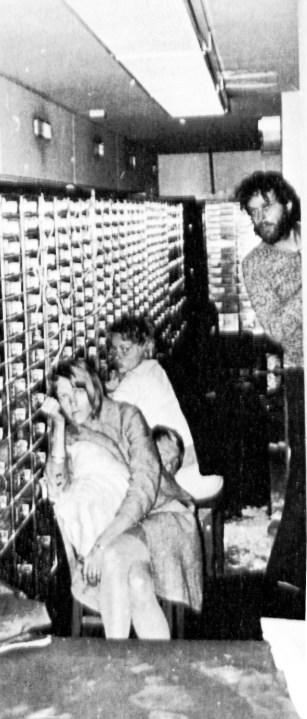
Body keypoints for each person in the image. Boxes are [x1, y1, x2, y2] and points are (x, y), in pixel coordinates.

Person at [42, 358, 202, 640]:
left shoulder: (128, 417)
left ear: (93, 386)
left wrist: (101, 544)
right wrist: (56, 425)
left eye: (78, 391)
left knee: (114, 555)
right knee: (138, 582)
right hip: (122, 528)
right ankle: (158, 673)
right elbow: (57, 485)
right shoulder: (70, 433)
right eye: (63, 397)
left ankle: (113, 667)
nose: (72, 403)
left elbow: (144, 489)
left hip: (162, 517)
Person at [235, 170, 305, 595]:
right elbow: (279, 328)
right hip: (303, 372)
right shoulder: (255, 265)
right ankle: (283, 574)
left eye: (268, 206)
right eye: (253, 212)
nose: (261, 217)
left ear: (288, 205)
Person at [106, 315, 223, 503]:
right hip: (201, 470)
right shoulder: (156, 369)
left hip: (185, 481)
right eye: (113, 350)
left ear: (146, 347)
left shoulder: (133, 381)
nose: (117, 357)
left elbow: (107, 421)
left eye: (125, 350)